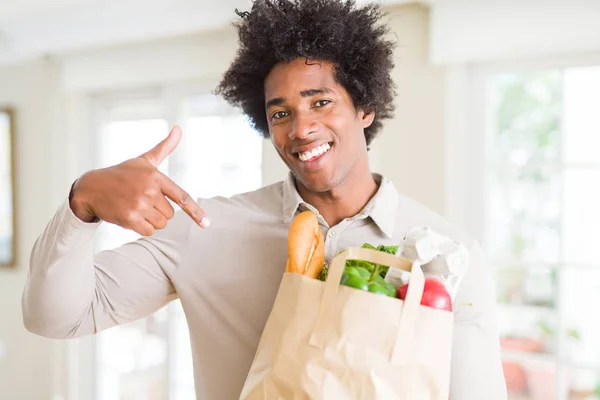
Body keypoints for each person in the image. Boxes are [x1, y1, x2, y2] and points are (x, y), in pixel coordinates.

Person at [22, 0, 507, 398]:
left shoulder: (447, 255)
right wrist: (80, 205)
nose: (301, 128)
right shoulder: (204, 228)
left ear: (364, 107)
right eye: (280, 113)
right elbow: (56, 317)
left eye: (321, 102)